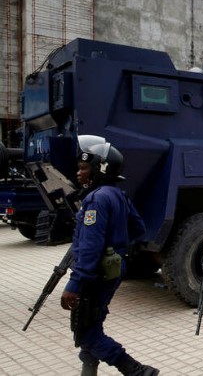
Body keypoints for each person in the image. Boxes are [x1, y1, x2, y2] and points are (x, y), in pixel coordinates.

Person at [60, 135, 158, 376]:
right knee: (92, 322)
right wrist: (116, 248)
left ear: (100, 169)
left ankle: (137, 371)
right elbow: (138, 228)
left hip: (95, 274)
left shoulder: (96, 199)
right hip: (111, 270)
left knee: (86, 332)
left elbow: (90, 247)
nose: (79, 173)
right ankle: (89, 369)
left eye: (84, 168)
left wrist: (74, 283)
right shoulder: (117, 194)